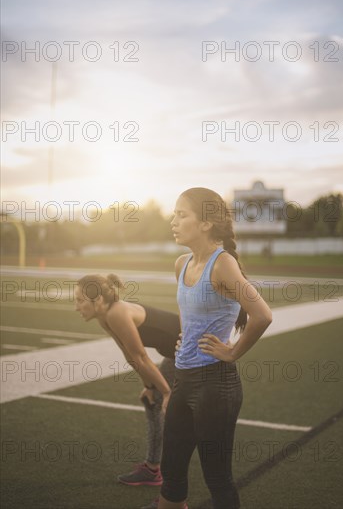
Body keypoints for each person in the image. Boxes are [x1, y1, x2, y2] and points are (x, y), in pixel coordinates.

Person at [155, 187, 272, 509]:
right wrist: (184, 339)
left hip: (216, 385)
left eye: (182, 215)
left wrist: (233, 352)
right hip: (185, 378)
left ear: (206, 223)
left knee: (217, 478)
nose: (173, 221)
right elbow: (188, 315)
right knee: (172, 472)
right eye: (174, 214)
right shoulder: (182, 264)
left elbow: (262, 315)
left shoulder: (223, 264)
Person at [75, 274, 180, 491]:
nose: (76, 307)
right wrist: (150, 387)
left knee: (176, 408)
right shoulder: (105, 317)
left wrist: (166, 392)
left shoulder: (117, 313)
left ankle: (157, 472)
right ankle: (153, 468)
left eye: (79, 300)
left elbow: (141, 356)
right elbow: (130, 357)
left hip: (190, 348)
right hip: (176, 351)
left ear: (99, 301)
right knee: (152, 402)